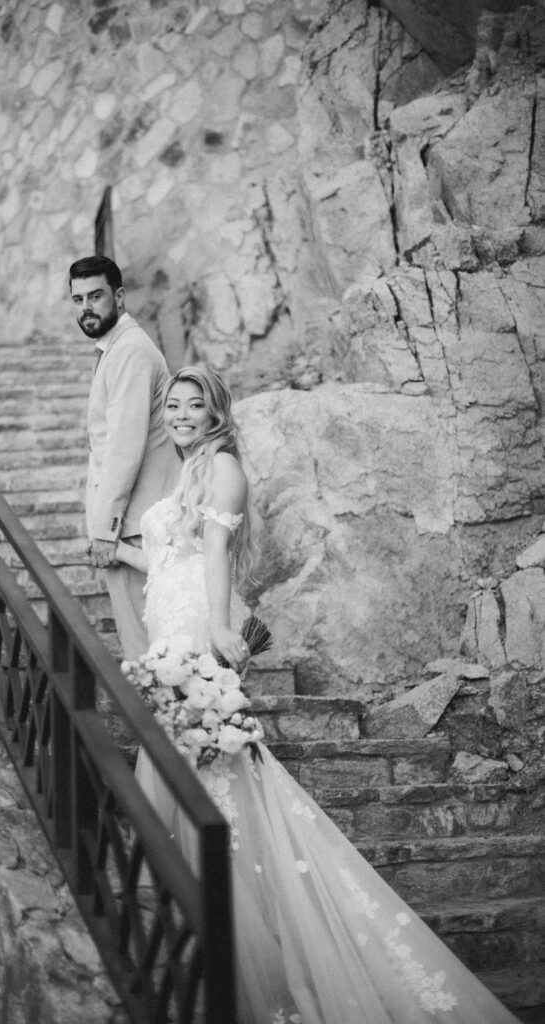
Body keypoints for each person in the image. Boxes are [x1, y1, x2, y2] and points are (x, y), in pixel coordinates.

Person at [114, 366, 520, 1024]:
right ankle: (193, 922)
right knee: (184, 758)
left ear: (215, 411)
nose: (181, 415)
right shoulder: (184, 469)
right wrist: (117, 553)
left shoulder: (222, 466)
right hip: (167, 618)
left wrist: (218, 627)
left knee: (207, 764)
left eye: (194, 405)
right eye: (174, 406)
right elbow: (170, 556)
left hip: (194, 622)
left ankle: (240, 941)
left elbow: (213, 553)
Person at [70, 255, 180, 659]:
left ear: (118, 296)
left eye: (95, 296)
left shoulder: (130, 351)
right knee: (154, 655)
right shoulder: (115, 349)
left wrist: (105, 529)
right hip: (133, 524)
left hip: (134, 528)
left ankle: (165, 725)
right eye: (77, 299)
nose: (86, 307)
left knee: (150, 655)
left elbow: (123, 448)